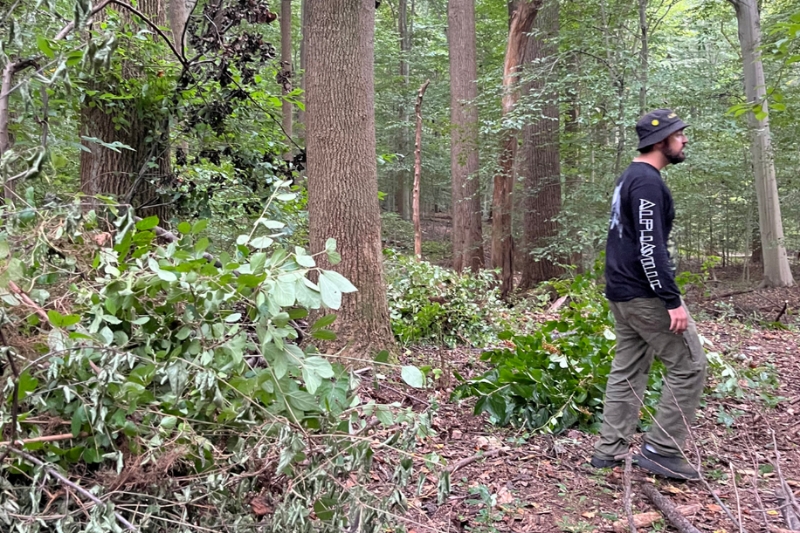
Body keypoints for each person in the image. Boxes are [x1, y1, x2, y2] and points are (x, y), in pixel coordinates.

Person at [591, 109, 707, 481]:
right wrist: (670, 299)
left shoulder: (632, 177)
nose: (684, 140)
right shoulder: (646, 182)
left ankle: (608, 451)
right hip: (643, 295)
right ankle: (662, 451)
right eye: (679, 134)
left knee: (628, 369)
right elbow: (648, 245)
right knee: (689, 365)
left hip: (622, 293)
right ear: (661, 142)